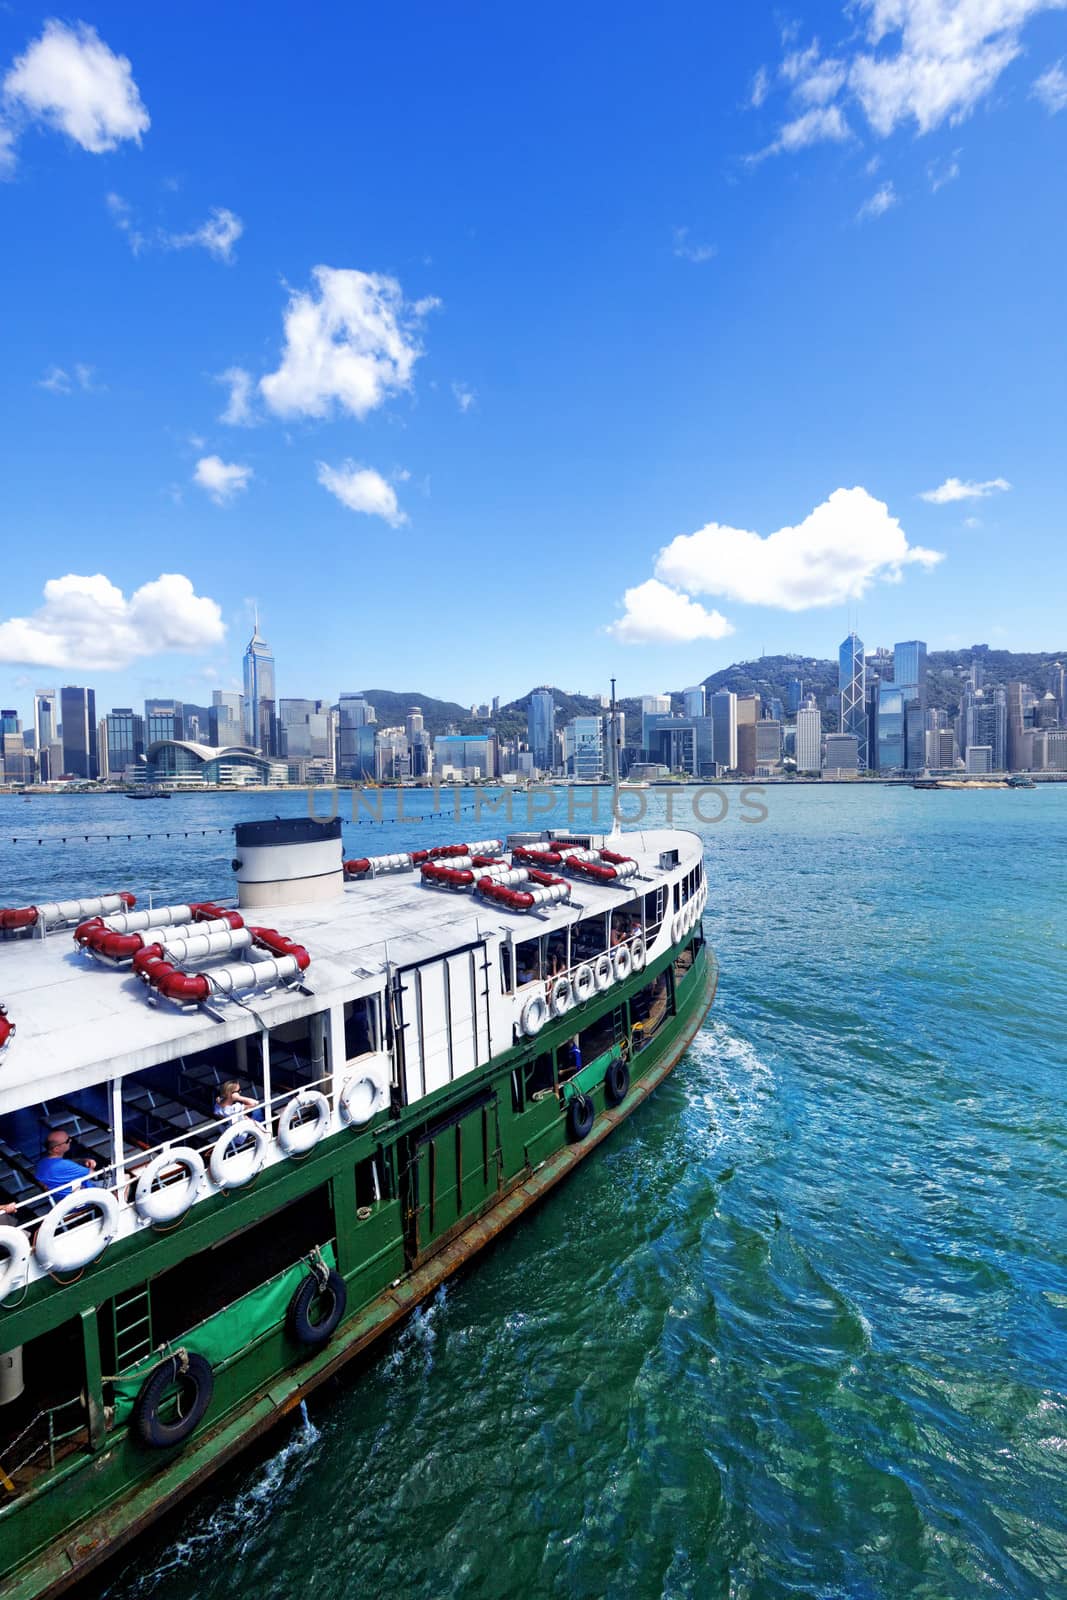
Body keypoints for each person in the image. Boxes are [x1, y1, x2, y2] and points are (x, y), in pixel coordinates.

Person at [34, 1131, 98, 1203]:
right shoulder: (65, 1165)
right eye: (67, 1140)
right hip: (83, 1200)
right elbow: (93, 1174)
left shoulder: (42, 1163)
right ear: (56, 1149)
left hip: (61, 1201)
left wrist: (83, 1160)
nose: (70, 1140)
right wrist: (91, 1166)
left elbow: (67, 1164)